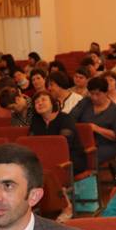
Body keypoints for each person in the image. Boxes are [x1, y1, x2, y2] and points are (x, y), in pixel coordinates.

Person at [29, 92, 88, 221]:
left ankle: (66, 207)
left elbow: (64, 144)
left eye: (43, 100)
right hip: (45, 161)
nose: (39, 103)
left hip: (71, 158)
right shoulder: (36, 121)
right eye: (36, 102)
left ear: (53, 103)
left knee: (52, 170)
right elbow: (32, 144)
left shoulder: (65, 118)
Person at [79, 77, 116, 167]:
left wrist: (96, 128)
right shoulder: (86, 103)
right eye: (92, 94)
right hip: (85, 143)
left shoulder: (114, 109)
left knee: (88, 157)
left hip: (106, 145)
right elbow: (73, 118)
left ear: (106, 93)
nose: (94, 97)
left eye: (98, 94)